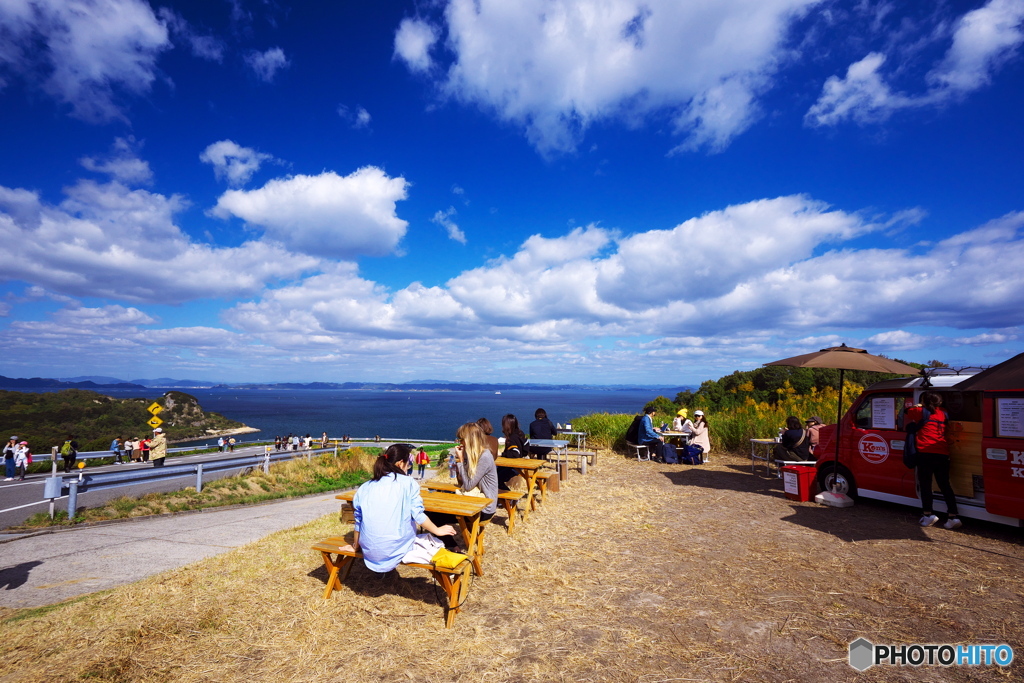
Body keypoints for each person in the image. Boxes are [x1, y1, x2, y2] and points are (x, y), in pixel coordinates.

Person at [339, 444, 456, 573]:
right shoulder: (408, 483)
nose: (409, 466)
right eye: (409, 464)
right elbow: (418, 515)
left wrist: (356, 546)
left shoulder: (365, 487)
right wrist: (438, 530)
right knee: (433, 542)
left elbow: (359, 522)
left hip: (370, 551)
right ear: (401, 463)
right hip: (396, 549)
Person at [436, 422, 499, 549]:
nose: (460, 442)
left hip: (485, 507)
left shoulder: (485, 456)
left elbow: (468, 485)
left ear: (469, 440)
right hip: (475, 501)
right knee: (434, 511)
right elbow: (462, 482)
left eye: (461, 439)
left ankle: (452, 546)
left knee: (433, 515)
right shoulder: (475, 455)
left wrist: (461, 460)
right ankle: (452, 545)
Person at [906, 392, 961, 529]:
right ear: (940, 402)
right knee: (945, 485)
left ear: (924, 401)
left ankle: (928, 515)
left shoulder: (920, 411)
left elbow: (907, 411)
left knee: (925, 485)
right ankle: (953, 517)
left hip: (925, 453)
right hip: (942, 453)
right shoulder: (944, 412)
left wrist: (919, 404)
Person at [498, 413, 528, 490]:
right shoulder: (520, 433)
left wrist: (502, 454)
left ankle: (510, 499)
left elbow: (515, 453)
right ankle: (503, 500)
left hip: (515, 467)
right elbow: (526, 450)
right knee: (495, 473)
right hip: (520, 465)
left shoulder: (512, 438)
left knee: (496, 479)